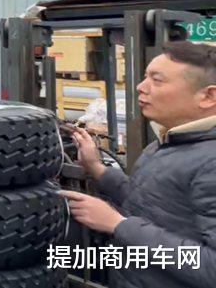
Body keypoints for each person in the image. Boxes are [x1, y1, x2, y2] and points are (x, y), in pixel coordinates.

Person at [59, 41, 216, 288]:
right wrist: (97, 169)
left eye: (157, 80)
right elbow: (151, 204)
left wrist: (118, 224)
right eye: (145, 77)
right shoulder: (169, 141)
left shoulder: (210, 161)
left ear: (208, 96)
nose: (141, 87)